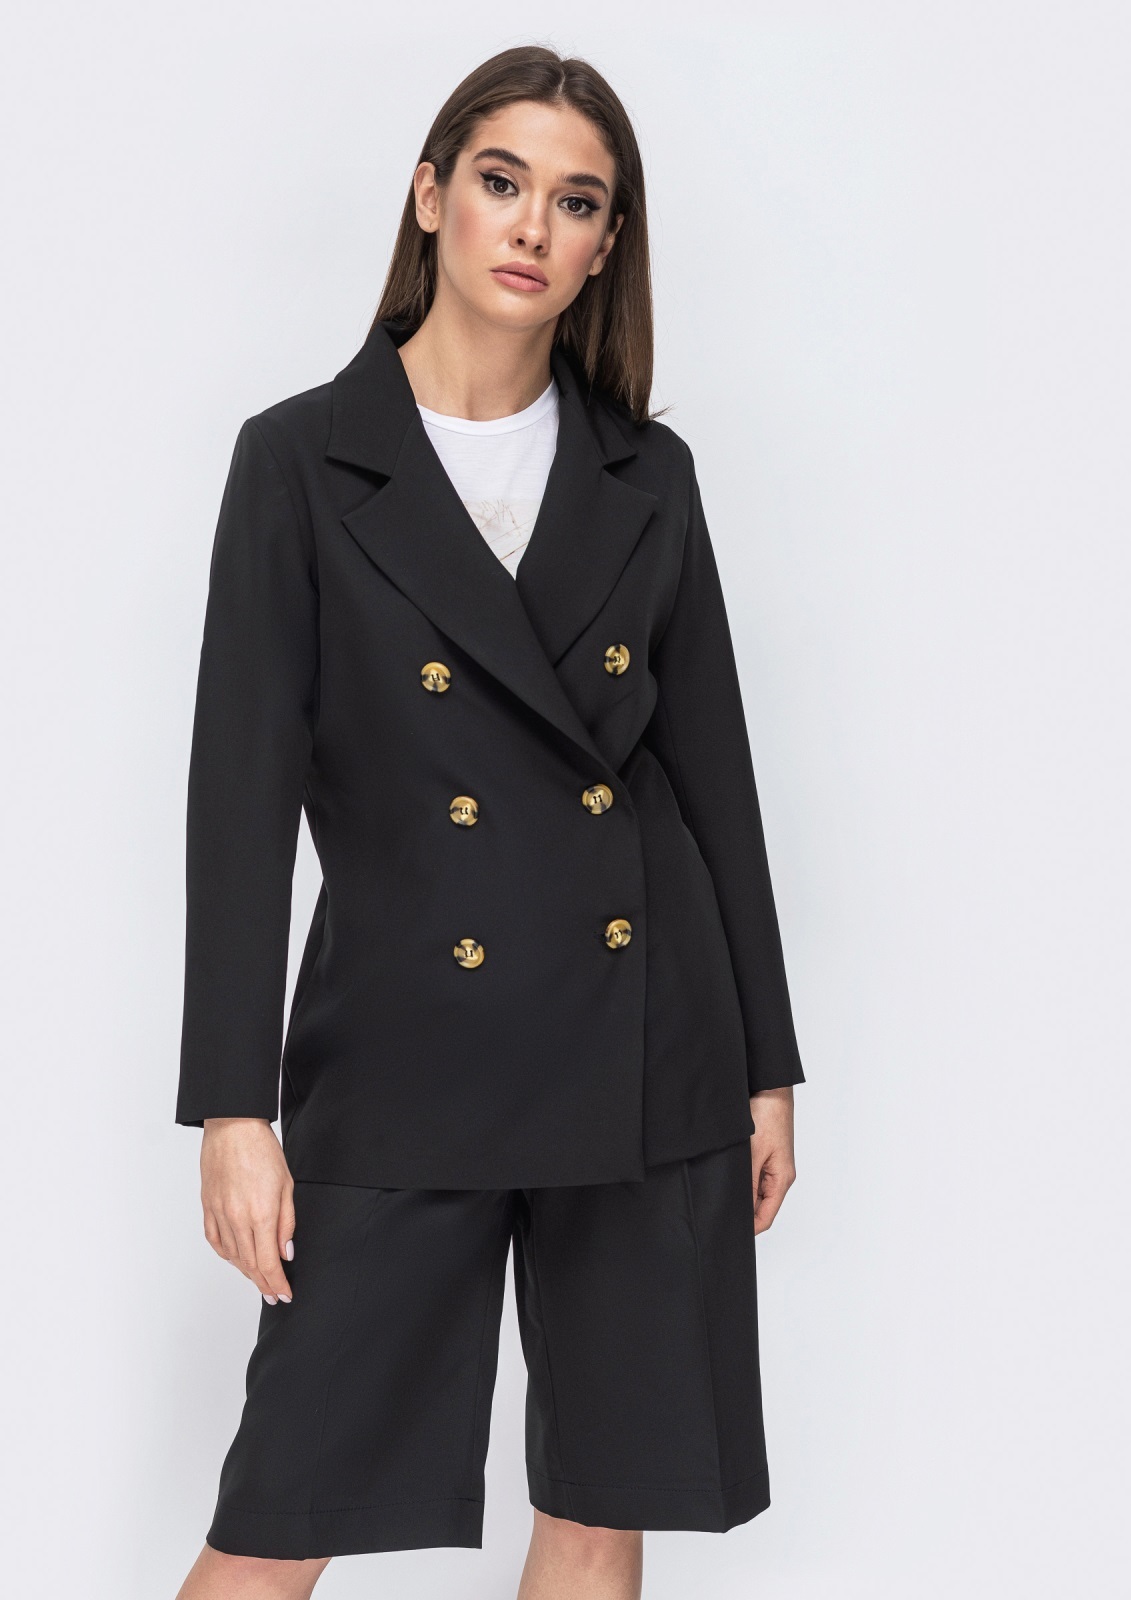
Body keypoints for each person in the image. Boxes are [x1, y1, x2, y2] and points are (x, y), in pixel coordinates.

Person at [174, 43, 804, 1600]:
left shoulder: (649, 475)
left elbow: (717, 784)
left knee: (599, 1511)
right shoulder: (300, 461)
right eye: (503, 182)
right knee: (278, 1522)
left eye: (576, 201)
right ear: (431, 195)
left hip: (643, 1050)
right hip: (400, 1061)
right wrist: (232, 1111)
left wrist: (768, 1067)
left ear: (605, 245)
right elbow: (239, 798)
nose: (532, 225)